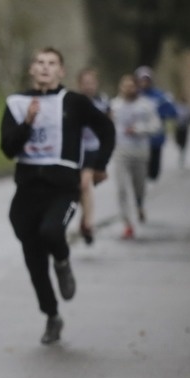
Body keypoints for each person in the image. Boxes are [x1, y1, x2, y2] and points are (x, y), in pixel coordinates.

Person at [0, 47, 115, 345]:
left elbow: (106, 128)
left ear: (61, 72)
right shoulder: (16, 103)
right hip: (27, 190)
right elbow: (8, 148)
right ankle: (52, 316)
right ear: (31, 69)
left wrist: (97, 165)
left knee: (52, 231)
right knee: (34, 259)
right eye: (39, 63)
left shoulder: (74, 103)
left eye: (52, 64)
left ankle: (63, 262)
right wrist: (27, 124)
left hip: (62, 187)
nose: (45, 68)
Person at [110, 74, 162, 239]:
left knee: (139, 187)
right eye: (124, 86)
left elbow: (156, 126)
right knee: (121, 189)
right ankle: (127, 223)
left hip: (140, 152)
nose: (128, 89)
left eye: (131, 86)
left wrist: (139, 129)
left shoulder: (146, 105)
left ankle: (139, 204)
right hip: (120, 152)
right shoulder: (114, 105)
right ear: (120, 88)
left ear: (136, 87)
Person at [76, 67, 110, 245]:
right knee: (79, 189)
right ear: (80, 85)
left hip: (93, 149)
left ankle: (88, 223)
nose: (89, 86)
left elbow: (109, 129)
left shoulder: (103, 102)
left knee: (84, 184)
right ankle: (84, 219)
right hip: (75, 150)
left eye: (91, 83)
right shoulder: (73, 102)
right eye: (85, 83)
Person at [134, 66, 177, 181]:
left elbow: (172, 112)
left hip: (155, 137)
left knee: (153, 173)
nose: (144, 82)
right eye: (141, 80)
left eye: (146, 80)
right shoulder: (133, 95)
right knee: (140, 167)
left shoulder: (160, 96)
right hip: (138, 138)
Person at [173, 96, 190, 170]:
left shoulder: (188, 108)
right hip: (178, 127)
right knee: (178, 141)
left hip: (184, 127)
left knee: (184, 142)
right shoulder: (177, 107)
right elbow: (173, 115)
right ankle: (181, 148)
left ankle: (182, 152)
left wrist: (188, 121)